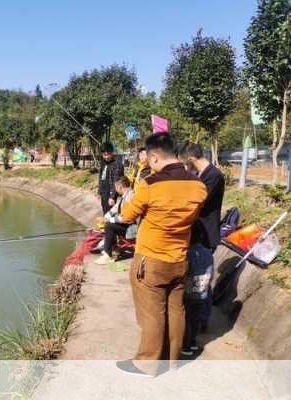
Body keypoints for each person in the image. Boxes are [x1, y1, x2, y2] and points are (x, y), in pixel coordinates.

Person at [116, 133, 207, 377]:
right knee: (176, 310)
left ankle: (147, 363)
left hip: (151, 261)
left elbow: (125, 215)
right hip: (179, 259)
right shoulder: (198, 186)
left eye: (148, 158)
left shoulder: (150, 185)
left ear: (155, 156)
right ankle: (171, 360)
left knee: (152, 313)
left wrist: (138, 191)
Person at [178, 142, 225, 354]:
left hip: (206, 234)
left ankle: (200, 322)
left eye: (183, 163)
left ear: (189, 159)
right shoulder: (203, 174)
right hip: (199, 233)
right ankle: (200, 320)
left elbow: (198, 202)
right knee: (200, 282)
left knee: (201, 283)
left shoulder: (213, 175)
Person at [94, 176, 134, 265]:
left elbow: (126, 218)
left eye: (115, 188)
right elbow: (115, 208)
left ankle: (107, 255)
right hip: (126, 224)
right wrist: (105, 217)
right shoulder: (126, 195)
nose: (115, 190)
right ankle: (112, 249)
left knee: (109, 226)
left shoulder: (130, 197)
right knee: (109, 223)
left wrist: (108, 220)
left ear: (120, 187)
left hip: (131, 228)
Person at [98, 142, 124, 214]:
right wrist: (99, 192)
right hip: (103, 193)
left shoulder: (117, 164)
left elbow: (117, 181)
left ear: (112, 152)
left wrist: (112, 196)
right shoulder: (103, 163)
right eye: (104, 155)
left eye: (108, 154)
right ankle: (106, 223)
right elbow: (101, 178)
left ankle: (109, 224)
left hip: (110, 192)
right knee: (105, 211)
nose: (106, 157)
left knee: (110, 212)